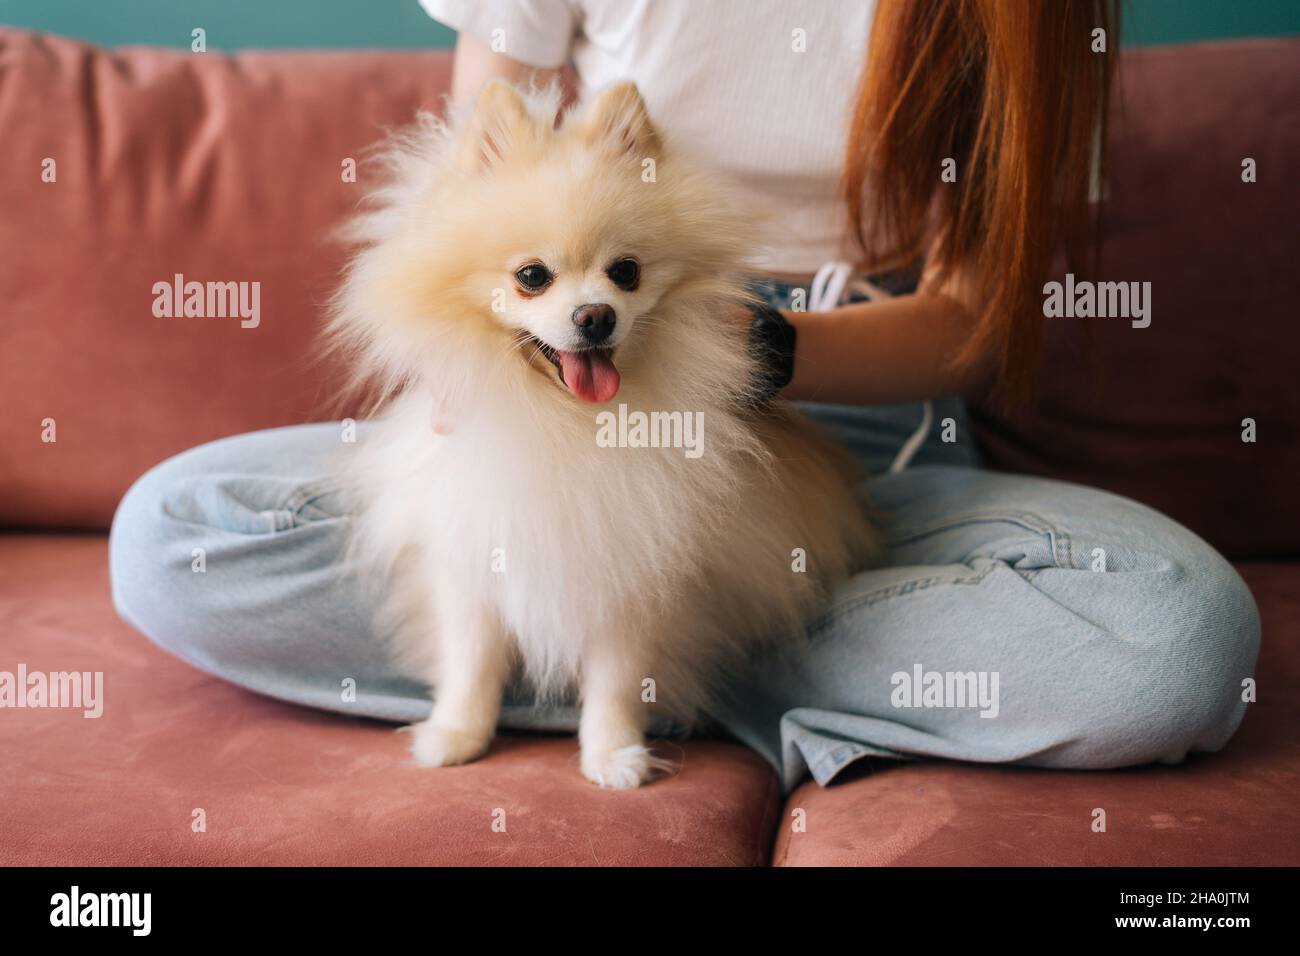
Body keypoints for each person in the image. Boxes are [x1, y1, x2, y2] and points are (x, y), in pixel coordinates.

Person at [110, 0, 1259, 791]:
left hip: (835, 428)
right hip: (542, 388)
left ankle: (659, 656)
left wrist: (753, 349)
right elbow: (472, 195)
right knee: (173, 537)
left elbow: (968, 322)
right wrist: (471, 369)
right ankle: (700, 667)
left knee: (1171, 642)